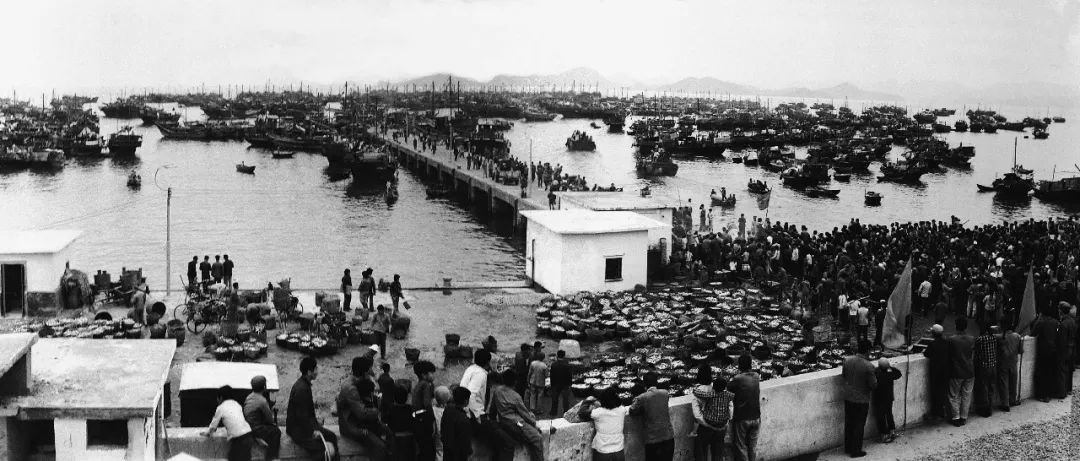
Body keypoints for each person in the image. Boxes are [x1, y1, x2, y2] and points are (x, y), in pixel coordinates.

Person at [286, 357, 340, 461]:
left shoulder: (303, 384)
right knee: (324, 449)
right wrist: (312, 432)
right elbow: (301, 416)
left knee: (332, 437)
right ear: (309, 372)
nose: (317, 372)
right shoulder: (302, 389)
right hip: (298, 430)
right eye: (315, 369)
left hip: (305, 425)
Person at [490, 369, 544, 461]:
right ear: (515, 382)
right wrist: (534, 424)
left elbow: (493, 409)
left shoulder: (497, 391)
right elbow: (525, 415)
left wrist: (493, 420)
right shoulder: (515, 396)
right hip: (517, 424)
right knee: (537, 439)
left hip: (504, 422)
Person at [842, 340, 877, 458]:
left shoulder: (847, 360)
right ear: (868, 351)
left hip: (848, 397)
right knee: (859, 425)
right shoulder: (869, 366)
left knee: (849, 423)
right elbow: (873, 385)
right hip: (861, 399)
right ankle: (856, 451)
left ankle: (848, 447)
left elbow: (844, 375)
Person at [629, 372, 675, 461]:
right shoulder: (665, 393)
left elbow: (632, 410)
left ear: (644, 384)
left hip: (652, 439)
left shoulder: (642, 397)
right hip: (668, 436)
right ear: (657, 382)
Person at [204, 386, 254, 461]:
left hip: (239, 438)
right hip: (249, 434)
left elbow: (213, 426)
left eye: (217, 398)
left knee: (233, 458)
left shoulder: (220, 407)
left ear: (221, 398)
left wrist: (208, 433)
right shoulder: (237, 404)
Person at [691, 370, 732, 461]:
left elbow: (697, 415)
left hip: (706, 426)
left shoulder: (705, 392)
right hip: (721, 426)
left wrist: (707, 424)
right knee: (718, 452)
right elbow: (730, 408)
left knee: (700, 449)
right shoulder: (722, 389)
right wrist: (726, 422)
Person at [727, 354, 760, 461]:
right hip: (756, 417)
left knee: (741, 446)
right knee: (752, 446)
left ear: (739, 365)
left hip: (743, 417)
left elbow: (728, 388)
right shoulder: (756, 376)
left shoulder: (738, 378)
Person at [946, 317, 975, 426]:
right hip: (969, 371)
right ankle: (964, 417)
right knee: (967, 395)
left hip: (957, 371)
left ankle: (956, 417)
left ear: (956, 326)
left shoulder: (951, 339)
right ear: (966, 326)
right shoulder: (972, 339)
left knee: (954, 395)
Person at [244, 376, 280, 461]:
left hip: (247, 427)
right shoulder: (262, 401)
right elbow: (270, 420)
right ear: (264, 387)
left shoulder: (249, 397)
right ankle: (271, 457)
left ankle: (257, 437)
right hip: (256, 429)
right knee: (276, 431)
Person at [589, 387, 629, 461]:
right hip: (618, 450)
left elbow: (582, 412)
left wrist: (589, 400)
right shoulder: (622, 410)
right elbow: (622, 406)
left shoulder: (598, 412)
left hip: (602, 451)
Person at [1031, 311, 1060, 402]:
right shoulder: (1056, 322)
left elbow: (1033, 333)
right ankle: (1049, 394)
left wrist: (1037, 321)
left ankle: (1042, 395)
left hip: (1043, 351)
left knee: (1042, 373)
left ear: (1042, 314)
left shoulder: (1041, 322)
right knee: (1050, 372)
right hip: (1053, 350)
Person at [411, 361, 437, 461]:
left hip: (417, 420)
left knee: (422, 448)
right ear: (424, 375)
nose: (433, 375)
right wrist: (433, 421)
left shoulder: (418, 385)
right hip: (424, 422)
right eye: (432, 373)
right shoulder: (426, 385)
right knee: (428, 449)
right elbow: (427, 405)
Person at [922, 324, 949, 419]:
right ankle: (942, 412)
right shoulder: (947, 342)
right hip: (946, 371)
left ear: (933, 333)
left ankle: (936, 413)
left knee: (935, 393)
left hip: (936, 372)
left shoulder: (932, 344)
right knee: (943, 392)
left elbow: (926, 354)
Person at [872, 358, 901, 443]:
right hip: (889, 397)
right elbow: (898, 374)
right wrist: (890, 368)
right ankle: (892, 431)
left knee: (881, 417)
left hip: (879, 398)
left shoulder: (876, 372)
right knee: (889, 414)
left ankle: (884, 434)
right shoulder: (890, 372)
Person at [973, 324, 998, 417]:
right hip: (993, 366)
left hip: (984, 367)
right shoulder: (994, 338)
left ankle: (985, 410)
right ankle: (990, 408)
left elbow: (976, 351)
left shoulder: (980, 339)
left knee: (984, 388)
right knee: (991, 388)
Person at [441, 387, 473, 461]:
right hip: (458, 454)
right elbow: (465, 441)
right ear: (466, 401)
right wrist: (469, 452)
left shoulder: (447, 410)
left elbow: (443, 428)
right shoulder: (464, 419)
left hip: (447, 449)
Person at [997, 323, 1022, 410]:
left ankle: (1005, 404)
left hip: (1003, 363)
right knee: (1013, 382)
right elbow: (1021, 351)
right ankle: (1012, 400)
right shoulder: (1017, 336)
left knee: (1004, 383)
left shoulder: (999, 337)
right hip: (1013, 362)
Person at [1056, 303, 1076, 399]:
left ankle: (1061, 392)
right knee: (1069, 370)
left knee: (1062, 371)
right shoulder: (1072, 321)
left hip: (1064, 350)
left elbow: (1061, 341)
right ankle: (1068, 389)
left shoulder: (1063, 324)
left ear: (1061, 311)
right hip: (1072, 349)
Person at [549, 349, 573, 415]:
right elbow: (569, 376)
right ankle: (566, 412)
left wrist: (551, 384)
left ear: (557, 356)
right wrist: (570, 384)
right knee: (565, 399)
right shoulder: (567, 365)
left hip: (555, 384)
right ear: (564, 356)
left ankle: (553, 412)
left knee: (554, 399)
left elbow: (552, 375)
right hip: (565, 384)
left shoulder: (553, 364)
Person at [432, 386, 451, 461]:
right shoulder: (447, 412)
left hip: (435, 435)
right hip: (443, 435)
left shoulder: (432, 409)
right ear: (447, 398)